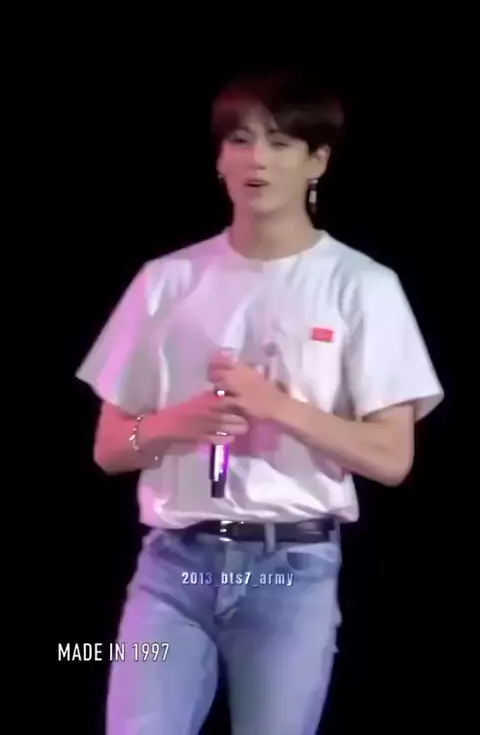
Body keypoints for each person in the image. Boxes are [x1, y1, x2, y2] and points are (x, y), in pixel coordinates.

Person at [76, 68, 444, 735]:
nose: (257, 160)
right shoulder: (167, 280)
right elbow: (109, 448)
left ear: (317, 161)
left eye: (279, 142)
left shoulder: (362, 286)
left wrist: (277, 407)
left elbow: (392, 457)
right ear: (219, 160)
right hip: (174, 568)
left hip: (291, 571)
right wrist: (175, 423)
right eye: (240, 140)